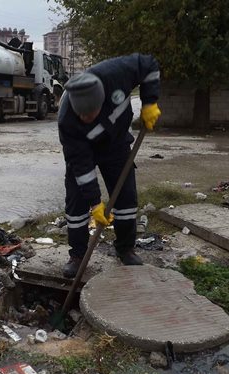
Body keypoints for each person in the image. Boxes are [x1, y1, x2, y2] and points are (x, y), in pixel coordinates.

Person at [59, 54, 162, 278]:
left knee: (125, 199)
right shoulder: (68, 119)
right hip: (83, 151)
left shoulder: (117, 74)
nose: (85, 117)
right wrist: (95, 203)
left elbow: (150, 64)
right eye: (81, 114)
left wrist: (150, 102)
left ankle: (125, 248)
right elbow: (81, 166)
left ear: (102, 100)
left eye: (90, 113)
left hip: (116, 144)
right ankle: (77, 255)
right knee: (77, 203)